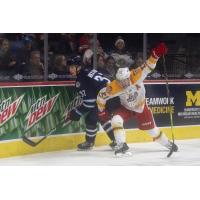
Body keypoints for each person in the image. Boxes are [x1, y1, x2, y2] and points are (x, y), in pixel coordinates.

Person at [97, 43, 178, 156]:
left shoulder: (136, 75)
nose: (122, 83)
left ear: (128, 76)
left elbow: (148, 65)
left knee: (152, 130)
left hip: (141, 107)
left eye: (124, 80)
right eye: (119, 81)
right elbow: (101, 96)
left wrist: (156, 54)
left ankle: (168, 144)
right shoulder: (114, 86)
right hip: (126, 108)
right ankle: (121, 145)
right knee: (116, 119)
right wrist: (101, 110)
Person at [65, 53, 116, 150]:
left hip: (107, 97)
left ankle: (89, 142)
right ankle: (116, 140)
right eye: (69, 67)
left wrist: (76, 113)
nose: (70, 70)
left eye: (72, 67)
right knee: (100, 117)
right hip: (111, 95)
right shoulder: (87, 71)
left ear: (79, 67)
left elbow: (89, 103)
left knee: (91, 118)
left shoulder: (81, 79)